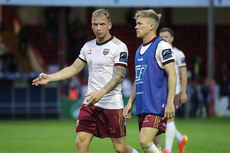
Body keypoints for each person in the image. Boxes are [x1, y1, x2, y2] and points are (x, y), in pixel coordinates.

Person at [32, 9, 138, 153]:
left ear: (110, 25)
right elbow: (74, 68)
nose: (98, 28)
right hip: (90, 102)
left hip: (112, 103)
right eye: (95, 24)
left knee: (120, 148)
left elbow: (119, 76)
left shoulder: (119, 46)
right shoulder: (88, 46)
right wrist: (50, 77)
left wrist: (101, 92)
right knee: (81, 141)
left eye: (102, 24)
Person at [123, 9, 177, 153]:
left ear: (151, 26)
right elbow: (138, 79)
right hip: (143, 106)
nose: (136, 26)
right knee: (155, 147)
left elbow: (172, 74)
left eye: (140, 23)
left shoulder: (162, 46)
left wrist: (170, 102)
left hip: (156, 105)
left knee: (144, 141)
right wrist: (130, 102)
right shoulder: (139, 49)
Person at [159, 27, 188, 153]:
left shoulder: (178, 53)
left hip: (174, 91)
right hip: (160, 92)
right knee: (163, 121)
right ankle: (181, 139)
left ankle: (168, 149)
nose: (163, 39)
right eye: (161, 36)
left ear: (172, 38)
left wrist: (183, 92)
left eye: (166, 36)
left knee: (169, 118)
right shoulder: (158, 52)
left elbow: (184, 74)